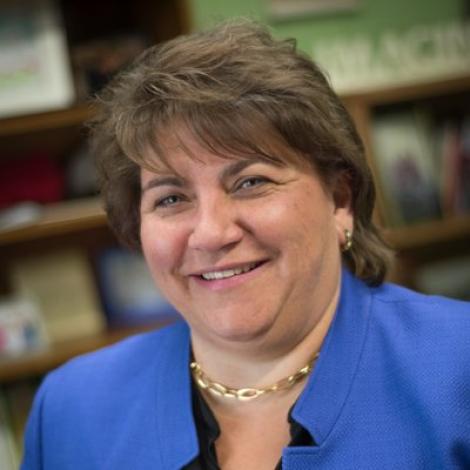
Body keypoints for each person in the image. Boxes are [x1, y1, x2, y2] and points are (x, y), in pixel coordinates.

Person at [22, 20, 470, 470]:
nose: (212, 233)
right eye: (171, 198)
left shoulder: (458, 370)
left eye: (251, 182)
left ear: (339, 199)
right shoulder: (69, 410)